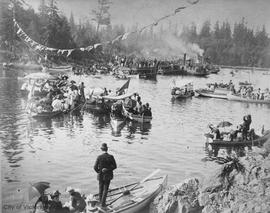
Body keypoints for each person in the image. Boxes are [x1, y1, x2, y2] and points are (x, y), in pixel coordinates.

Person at [94, 143, 117, 207]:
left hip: (100, 175)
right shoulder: (111, 156)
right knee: (105, 189)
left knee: (100, 188)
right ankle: (103, 204)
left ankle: (100, 201)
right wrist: (107, 169)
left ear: (101, 149)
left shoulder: (99, 157)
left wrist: (99, 172)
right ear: (107, 149)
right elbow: (115, 166)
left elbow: (95, 167)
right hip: (108, 175)